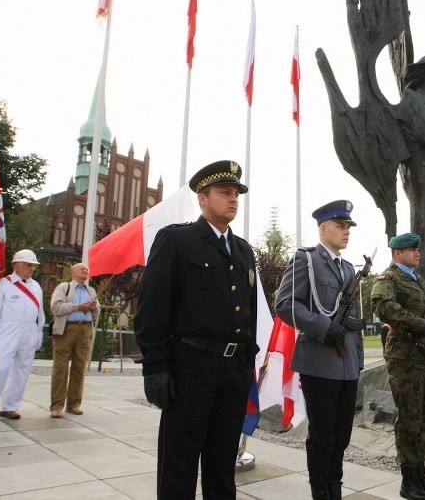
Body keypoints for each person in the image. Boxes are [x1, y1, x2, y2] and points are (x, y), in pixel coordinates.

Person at [134, 160, 258, 499]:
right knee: (179, 462)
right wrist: (155, 365)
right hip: (191, 366)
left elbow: (249, 311)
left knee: (222, 463)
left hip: (232, 370)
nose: (233, 199)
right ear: (202, 198)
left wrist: (249, 362)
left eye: (236, 194)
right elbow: (152, 306)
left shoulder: (245, 250)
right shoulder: (177, 240)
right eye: (224, 192)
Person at [274, 200, 363, 500]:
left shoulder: (349, 269)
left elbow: (353, 320)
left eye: (348, 226)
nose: (346, 231)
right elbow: (285, 304)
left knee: (342, 436)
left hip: (348, 364)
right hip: (319, 362)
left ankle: (335, 487)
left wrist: (358, 362)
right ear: (323, 228)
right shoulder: (306, 260)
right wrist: (324, 328)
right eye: (340, 226)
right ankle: (321, 493)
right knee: (322, 436)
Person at [371, 233, 425, 500]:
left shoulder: (424, 282)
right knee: (409, 419)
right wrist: (419, 324)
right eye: (412, 250)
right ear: (397, 254)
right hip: (405, 359)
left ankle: (420, 472)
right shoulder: (388, 278)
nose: (418, 254)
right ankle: (408, 480)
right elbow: (383, 306)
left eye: (418, 249)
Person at [0, 249, 46, 421]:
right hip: (7, 333)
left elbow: (39, 313)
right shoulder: (2, 284)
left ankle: (10, 407)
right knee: (0, 370)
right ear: (17, 265)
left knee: (22, 372)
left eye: (33, 266)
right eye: (29, 265)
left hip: (28, 333)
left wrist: (38, 334)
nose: (32, 269)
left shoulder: (36, 286)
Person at [49, 262, 100, 418]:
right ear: (73, 273)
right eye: (81, 268)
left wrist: (93, 308)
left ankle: (74, 404)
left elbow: (97, 312)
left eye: (86, 269)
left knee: (79, 367)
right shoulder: (64, 288)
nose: (85, 270)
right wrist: (78, 307)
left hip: (85, 330)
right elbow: (55, 308)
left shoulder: (91, 291)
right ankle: (57, 405)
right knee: (60, 367)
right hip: (66, 329)